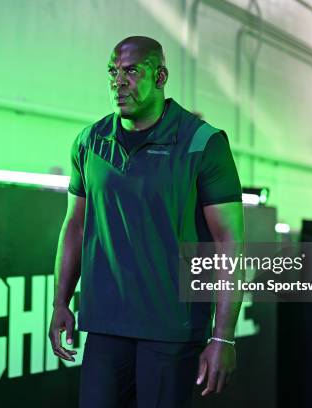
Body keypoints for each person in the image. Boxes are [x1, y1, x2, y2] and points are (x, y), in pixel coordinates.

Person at [48, 35, 244, 407]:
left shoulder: (203, 142)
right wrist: (61, 303)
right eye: (113, 72)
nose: (119, 83)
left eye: (132, 72)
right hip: (105, 325)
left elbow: (228, 243)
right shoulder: (89, 142)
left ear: (160, 76)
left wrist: (223, 336)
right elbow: (74, 225)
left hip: (172, 329)